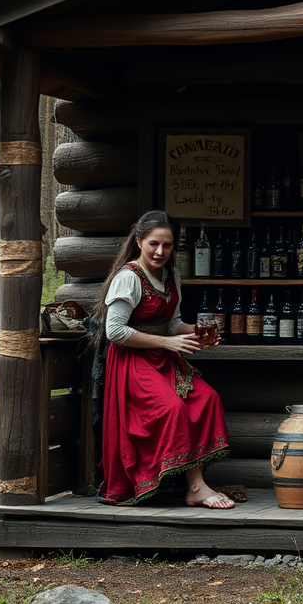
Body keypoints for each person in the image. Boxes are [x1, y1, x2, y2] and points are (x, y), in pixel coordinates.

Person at [95, 210, 233, 508]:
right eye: (154, 244)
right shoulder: (128, 278)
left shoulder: (170, 275)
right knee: (173, 409)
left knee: (206, 398)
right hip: (132, 362)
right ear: (140, 241)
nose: (160, 252)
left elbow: (173, 323)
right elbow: (115, 330)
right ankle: (196, 487)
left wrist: (195, 333)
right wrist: (169, 342)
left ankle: (193, 484)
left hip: (164, 358)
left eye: (167, 245)